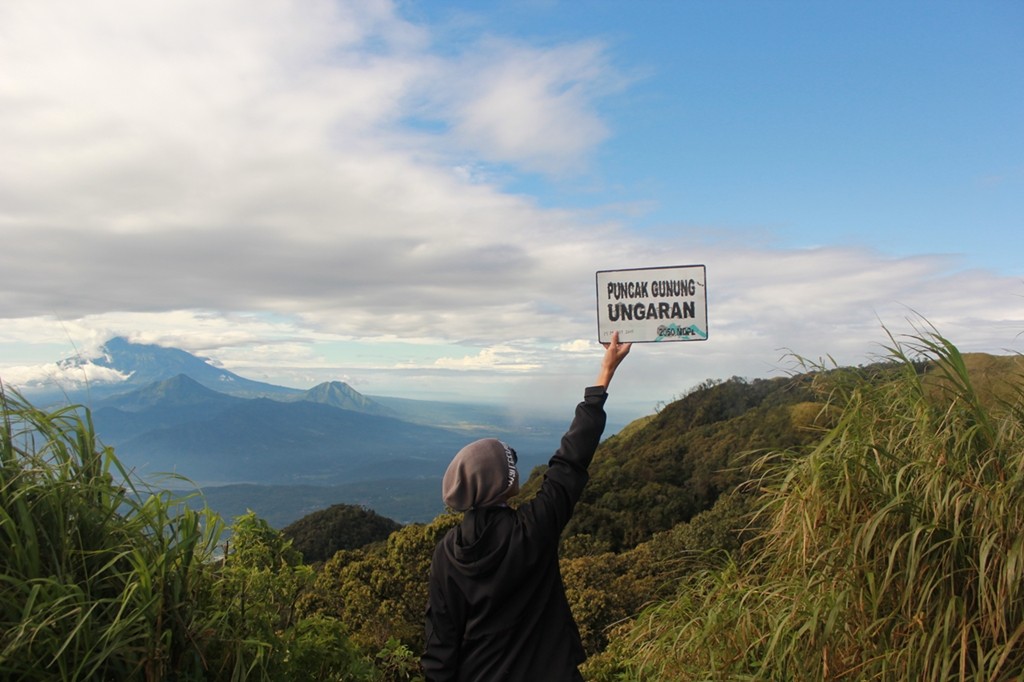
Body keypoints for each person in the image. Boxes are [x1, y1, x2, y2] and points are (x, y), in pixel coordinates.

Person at [421, 332, 632, 681]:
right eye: (510, 463)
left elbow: (440, 645)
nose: (516, 468)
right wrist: (604, 374)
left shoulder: (447, 553)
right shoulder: (532, 530)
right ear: (498, 483)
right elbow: (570, 462)